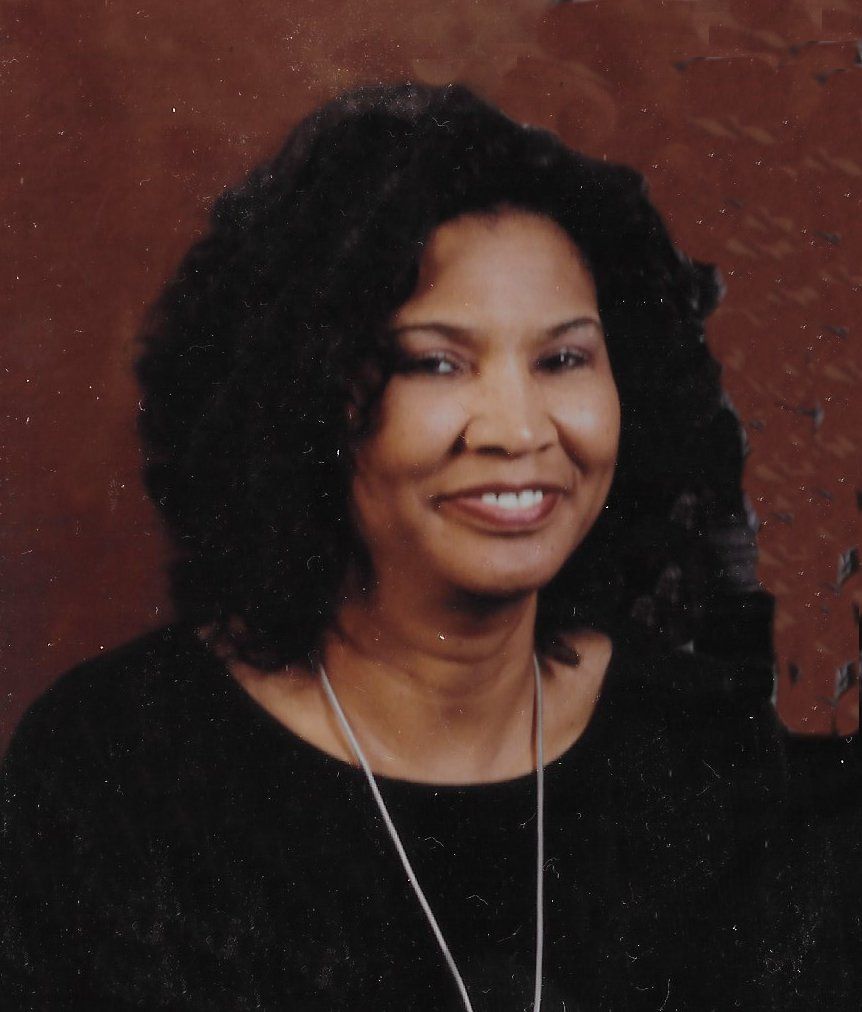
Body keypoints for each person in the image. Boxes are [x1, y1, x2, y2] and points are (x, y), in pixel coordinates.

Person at [0, 83, 853, 1010]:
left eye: (563, 359)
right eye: (436, 363)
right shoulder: (118, 770)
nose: (518, 429)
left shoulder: (716, 760)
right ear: (306, 402)